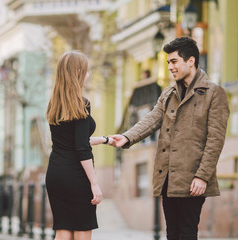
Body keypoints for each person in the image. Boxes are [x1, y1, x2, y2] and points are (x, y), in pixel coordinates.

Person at [111, 37, 230, 240]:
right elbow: (152, 119)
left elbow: (215, 140)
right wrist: (126, 137)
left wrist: (202, 176)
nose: (170, 67)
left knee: (187, 232)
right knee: (172, 234)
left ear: (190, 61)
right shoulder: (168, 93)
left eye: (174, 61)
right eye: (168, 63)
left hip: (193, 179)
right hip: (168, 178)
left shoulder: (213, 93)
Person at [46, 50, 114, 240]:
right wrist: (94, 183)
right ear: (77, 74)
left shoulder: (54, 105)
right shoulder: (81, 104)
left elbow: (73, 141)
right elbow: (81, 148)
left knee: (63, 230)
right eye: (85, 70)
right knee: (82, 229)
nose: (88, 74)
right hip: (76, 175)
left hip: (56, 175)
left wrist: (104, 139)